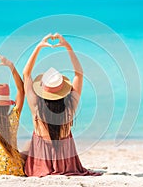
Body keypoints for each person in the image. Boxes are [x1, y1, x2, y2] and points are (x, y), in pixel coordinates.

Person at [23, 33, 101, 177]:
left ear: (43, 90)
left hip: (40, 164)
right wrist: (67, 46)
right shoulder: (70, 107)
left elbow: (26, 74)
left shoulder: (36, 107)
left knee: (26, 146)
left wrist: (39, 47)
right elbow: (79, 74)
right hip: (65, 163)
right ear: (62, 90)